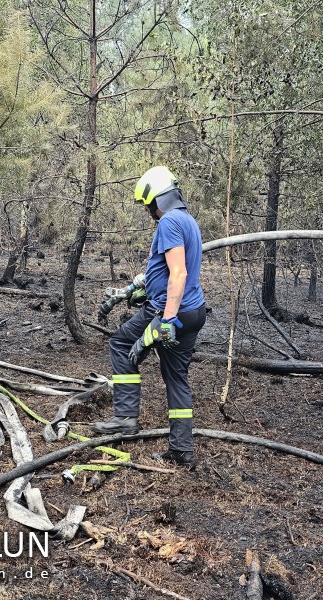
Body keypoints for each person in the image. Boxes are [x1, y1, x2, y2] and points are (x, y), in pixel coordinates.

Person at [92, 166, 207, 467]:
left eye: (148, 205)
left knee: (121, 345)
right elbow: (171, 270)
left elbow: (178, 273)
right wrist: (144, 291)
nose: (149, 211)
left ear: (158, 198)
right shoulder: (188, 221)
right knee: (176, 377)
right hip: (193, 311)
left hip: (171, 313)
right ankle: (181, 450)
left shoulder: (169, 222)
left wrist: (166, 320)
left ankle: (125, 418)